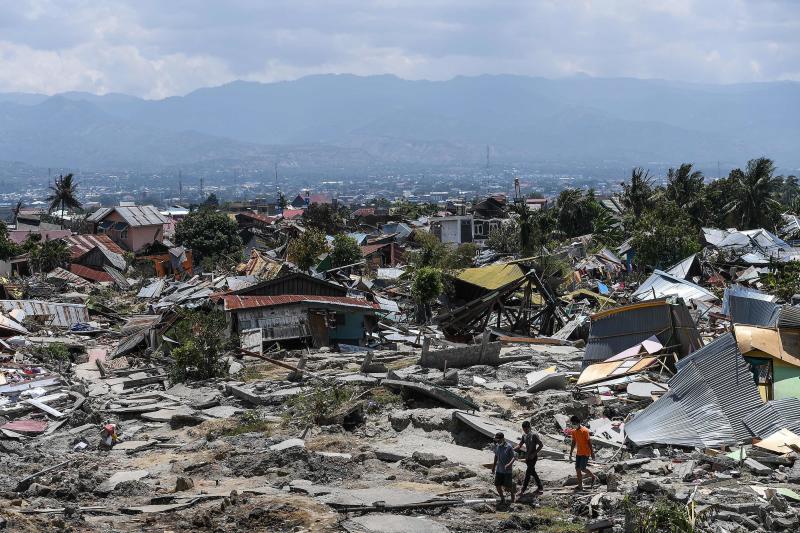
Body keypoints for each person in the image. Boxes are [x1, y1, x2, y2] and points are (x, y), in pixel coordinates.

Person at [514, 420, 543, 498]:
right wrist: (513, 449)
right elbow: (520, 444)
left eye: (526, 429)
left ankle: (522, 490)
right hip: (527, 457)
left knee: (528, 473)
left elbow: (541, 445)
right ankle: (540, 487)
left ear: (529, 427)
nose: (525, 431)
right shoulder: (524, 436)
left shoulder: (534, 435)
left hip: (533, 457)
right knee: (533, 472)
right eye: (524, 429)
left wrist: (534, 453)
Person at [568, 415, 597, 490]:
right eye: (572, 423)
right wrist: (571, 453)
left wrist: (592, 453)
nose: (573, 425)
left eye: (574, 423)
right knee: (577, 469)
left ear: (578, 423)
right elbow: (573, 442)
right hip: (579, 453)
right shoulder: (573, 431)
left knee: (583, 468)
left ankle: (593, 477)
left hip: (585, 452)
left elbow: (589, 442)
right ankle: (580, 485)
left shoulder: (585, 431)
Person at [492, 432, 516, 503]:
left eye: (499, 440)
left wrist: (509, 464)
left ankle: (512, 492)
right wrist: (493, 467)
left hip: (507, 471)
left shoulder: (509, 447)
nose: (497, 441)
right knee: (497, 485)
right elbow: (496, 456)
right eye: (496, 440)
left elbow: (514, 457)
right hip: (499, 469)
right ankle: (502, 499)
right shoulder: (497, 446)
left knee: (507, 488)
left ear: (502, 439)